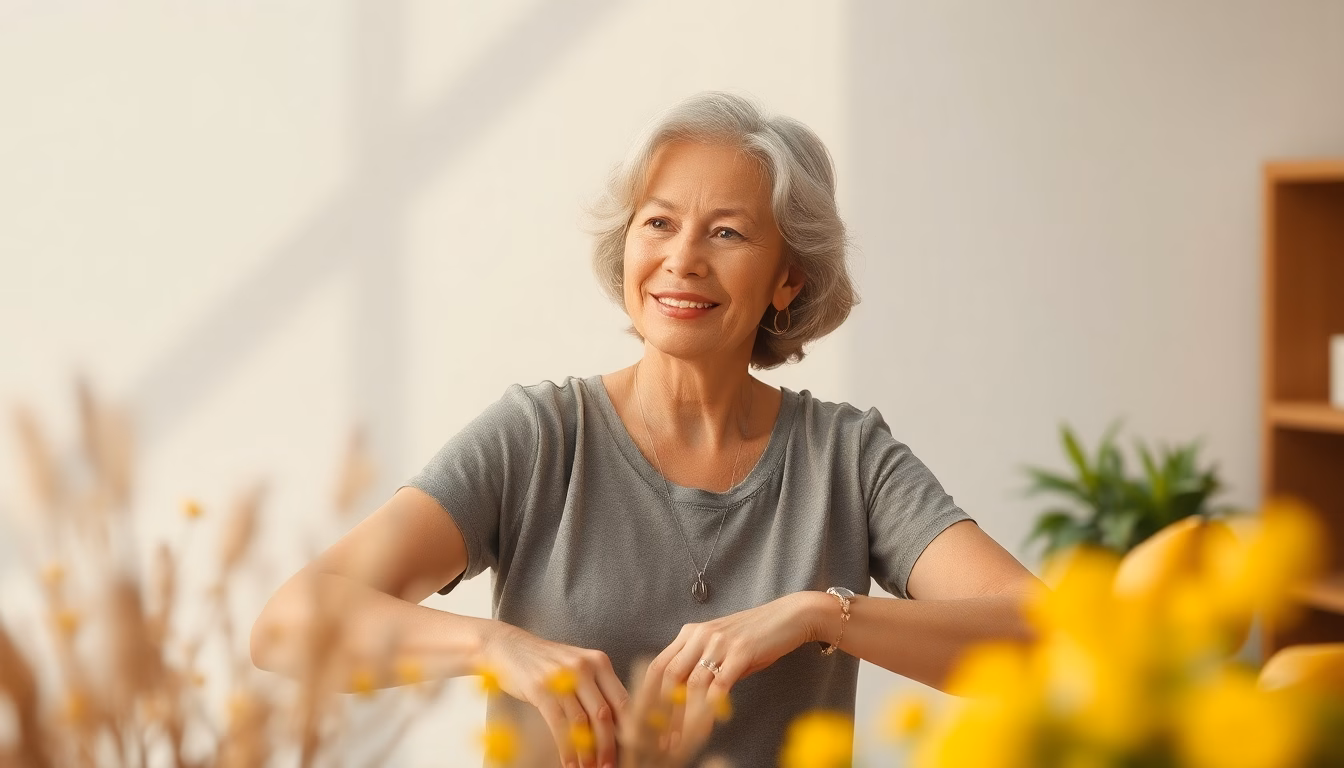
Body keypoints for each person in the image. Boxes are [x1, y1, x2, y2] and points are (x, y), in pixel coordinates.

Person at [251, 91, 1040, 768]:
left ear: (787, 279)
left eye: (726, 233)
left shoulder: (847, 458)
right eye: (658, 223)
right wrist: (492, 646)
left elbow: (1044, 640)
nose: (682, 260)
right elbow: (288, 626)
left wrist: (816, 614)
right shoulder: (538, 439)